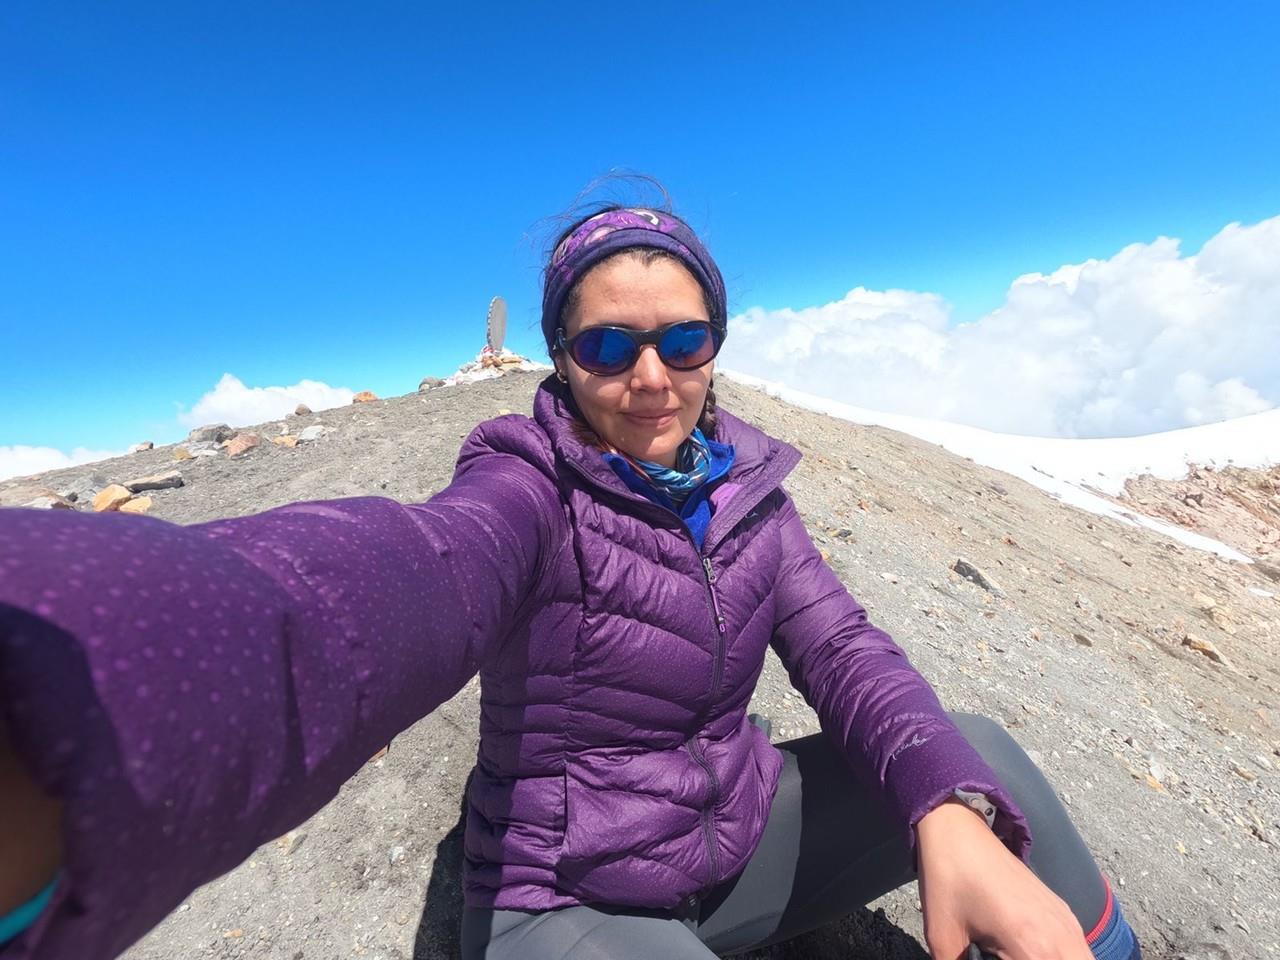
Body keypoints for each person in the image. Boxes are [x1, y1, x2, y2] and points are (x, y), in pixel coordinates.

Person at [0, 204, 1141, 960]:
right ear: (557, 354)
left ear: (713, 346)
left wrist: (942, 811)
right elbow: (401, 580)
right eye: (607, 347)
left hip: (736, 842)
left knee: (972, 758)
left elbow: (843, 651)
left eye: (681, 341)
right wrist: (70, 664)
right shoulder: (523, 491)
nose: (650, 378)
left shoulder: (747, 491)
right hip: (574, 898)